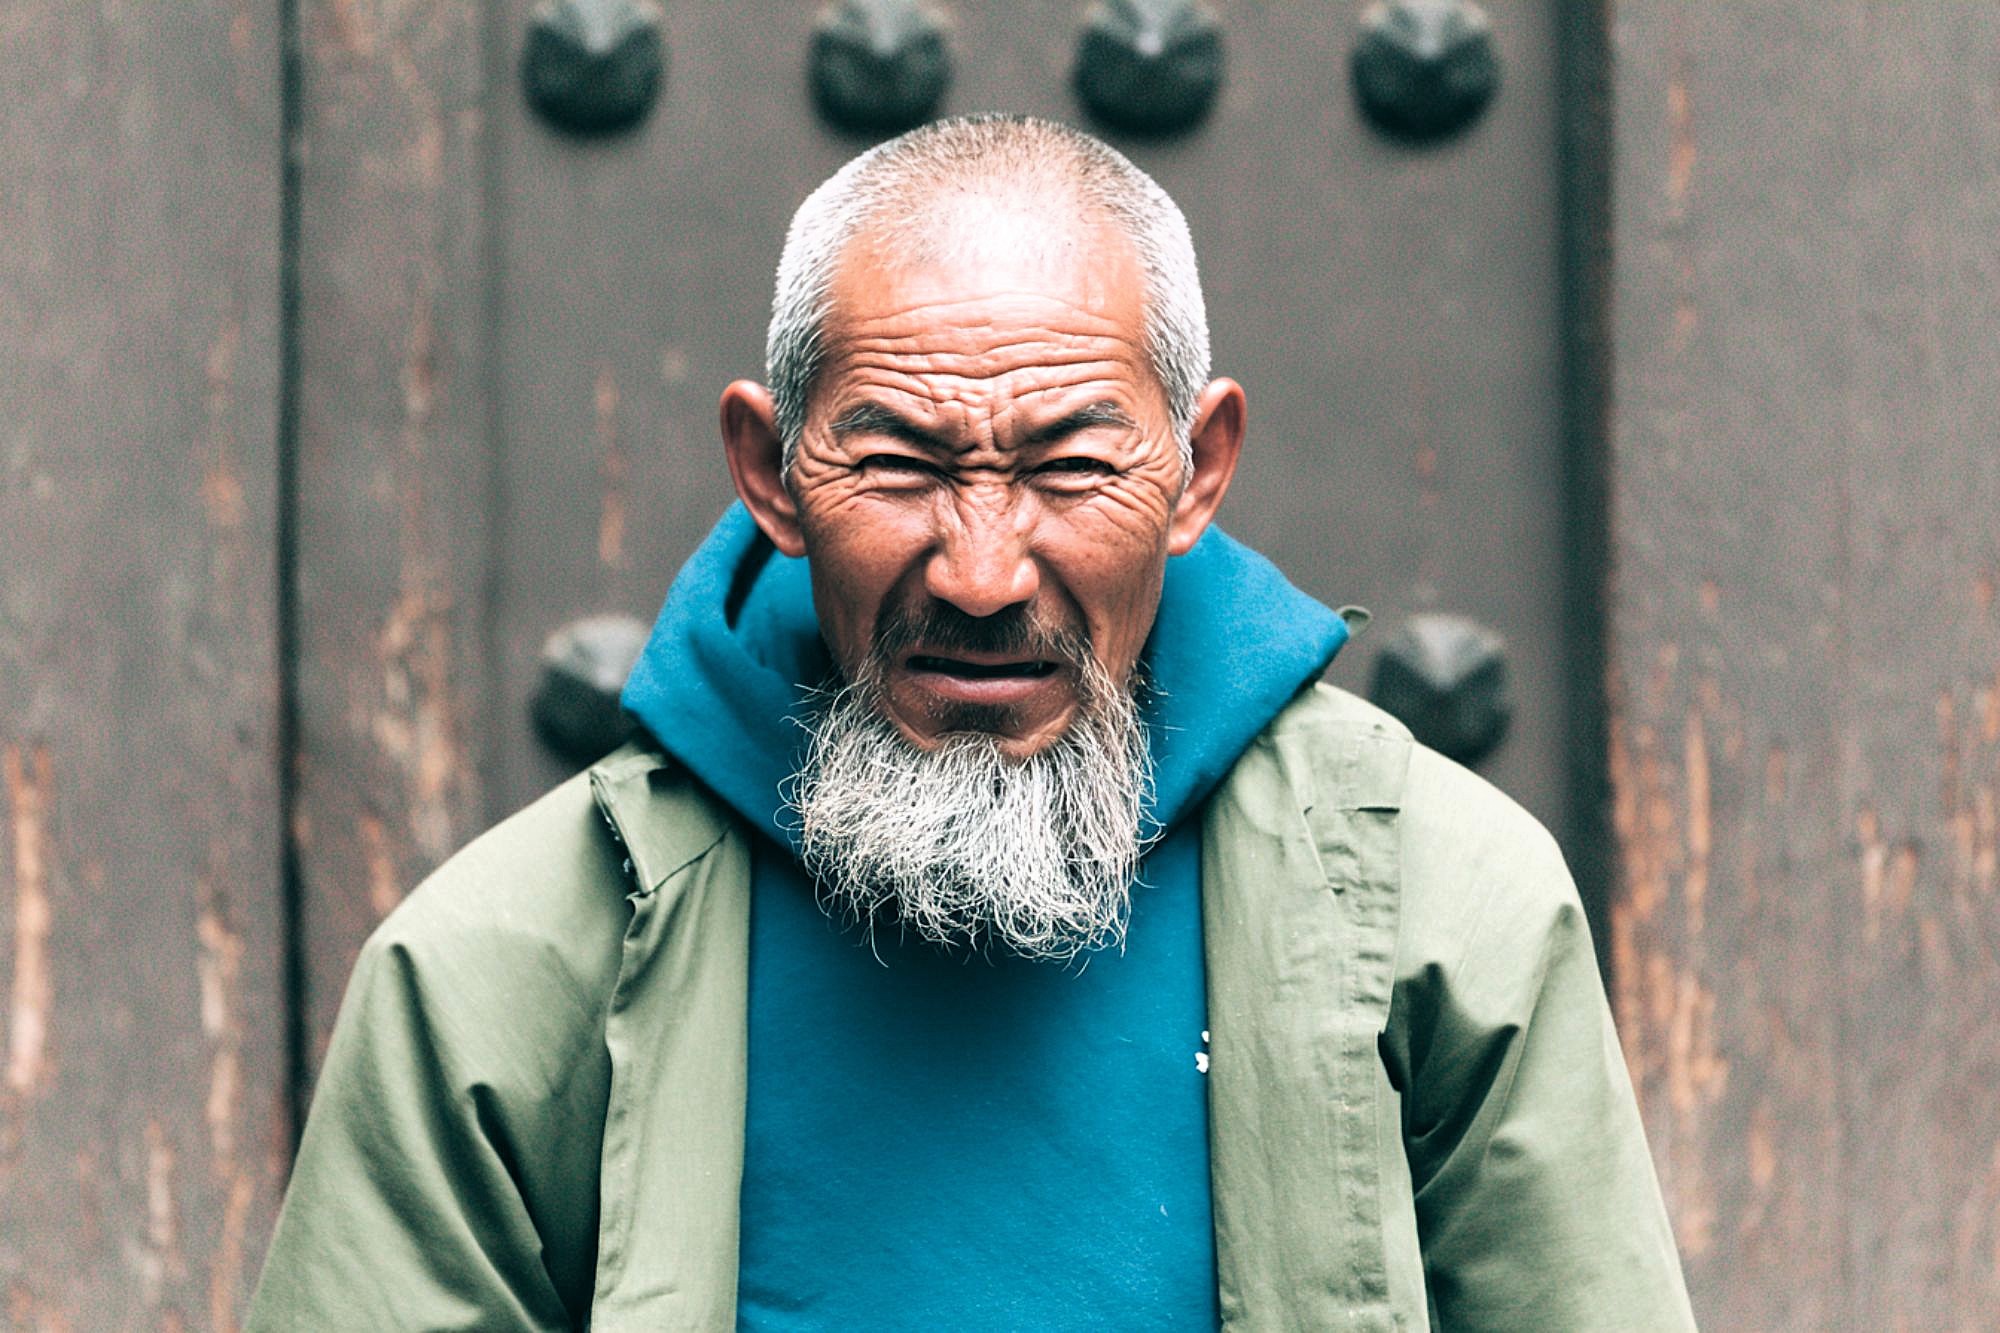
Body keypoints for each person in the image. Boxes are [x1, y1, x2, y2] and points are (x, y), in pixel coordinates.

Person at [248, 115, 1694, 1330]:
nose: (985, 572)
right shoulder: (504, 972)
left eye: (1069, 466)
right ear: (770, 468)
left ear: (1198, 472)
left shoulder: (1445, 913)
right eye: (899, 462)